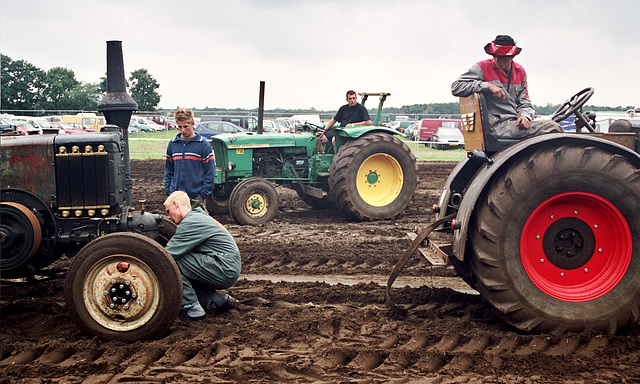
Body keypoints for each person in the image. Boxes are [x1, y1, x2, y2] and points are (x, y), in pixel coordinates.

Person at [451, 35, 562, 139]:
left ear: (512, 57)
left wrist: (525, 116)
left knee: (550, 126)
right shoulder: (481, 68)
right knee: (553, 127)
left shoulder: (520, 72)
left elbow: (524, 102)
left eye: (502, 57)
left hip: (514, 123)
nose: (497, 60)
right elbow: (456, 87)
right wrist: (487, 86)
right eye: (495, 56)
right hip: (496, 126)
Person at [164, 190, 241, 319]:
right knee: (186, 264)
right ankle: (215, 298)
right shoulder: (198, 217)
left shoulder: (190, 223)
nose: (168, 217)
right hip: (227, 265)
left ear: (176, 204)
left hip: (224, 267)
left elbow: (167, 255)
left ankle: (192, 309)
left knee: (173, 262)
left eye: (168, 211)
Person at [164, 108, 215, 213]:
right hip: (176, 197)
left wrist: (202, 194)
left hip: (196, 198)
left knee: (199, 227)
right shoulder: (172, 144)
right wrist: (168, 190)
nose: (183, 130)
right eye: (179, 127)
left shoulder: (203, 145)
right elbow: (169, 170)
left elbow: (210, 173)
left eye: (185, 127)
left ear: (192, 123)